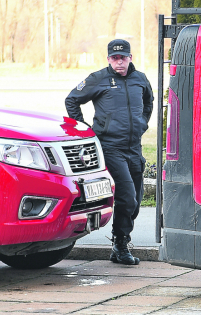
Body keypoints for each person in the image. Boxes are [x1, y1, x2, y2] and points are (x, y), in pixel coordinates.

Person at [65, 39, 154, 266]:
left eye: (123, 57)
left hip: (134, 147)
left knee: (135, 200)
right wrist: (85, 130)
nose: (119, 62)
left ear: (130, 58)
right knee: (127, 196)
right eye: (115, 58)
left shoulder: (140, 79)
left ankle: (120, 242)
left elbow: (149, 102)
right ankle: (121, 244)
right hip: (110, 147)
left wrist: (142, 123)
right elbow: (72, 100)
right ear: (108, 60)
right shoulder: (99, 78)